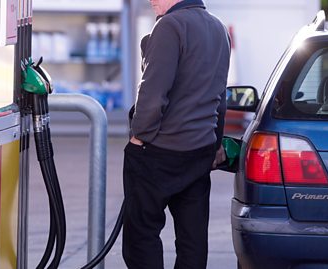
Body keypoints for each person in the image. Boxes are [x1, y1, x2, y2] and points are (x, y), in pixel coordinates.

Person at [122, 0, 230, 268]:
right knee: (192, 239)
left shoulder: (170, 26)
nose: (150, 1)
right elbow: (220, 96)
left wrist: (139, 136)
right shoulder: (219, 29)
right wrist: (216, 143)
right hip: (200, 152)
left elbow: (153, 92)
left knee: (141, 236)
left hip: (160, 152)